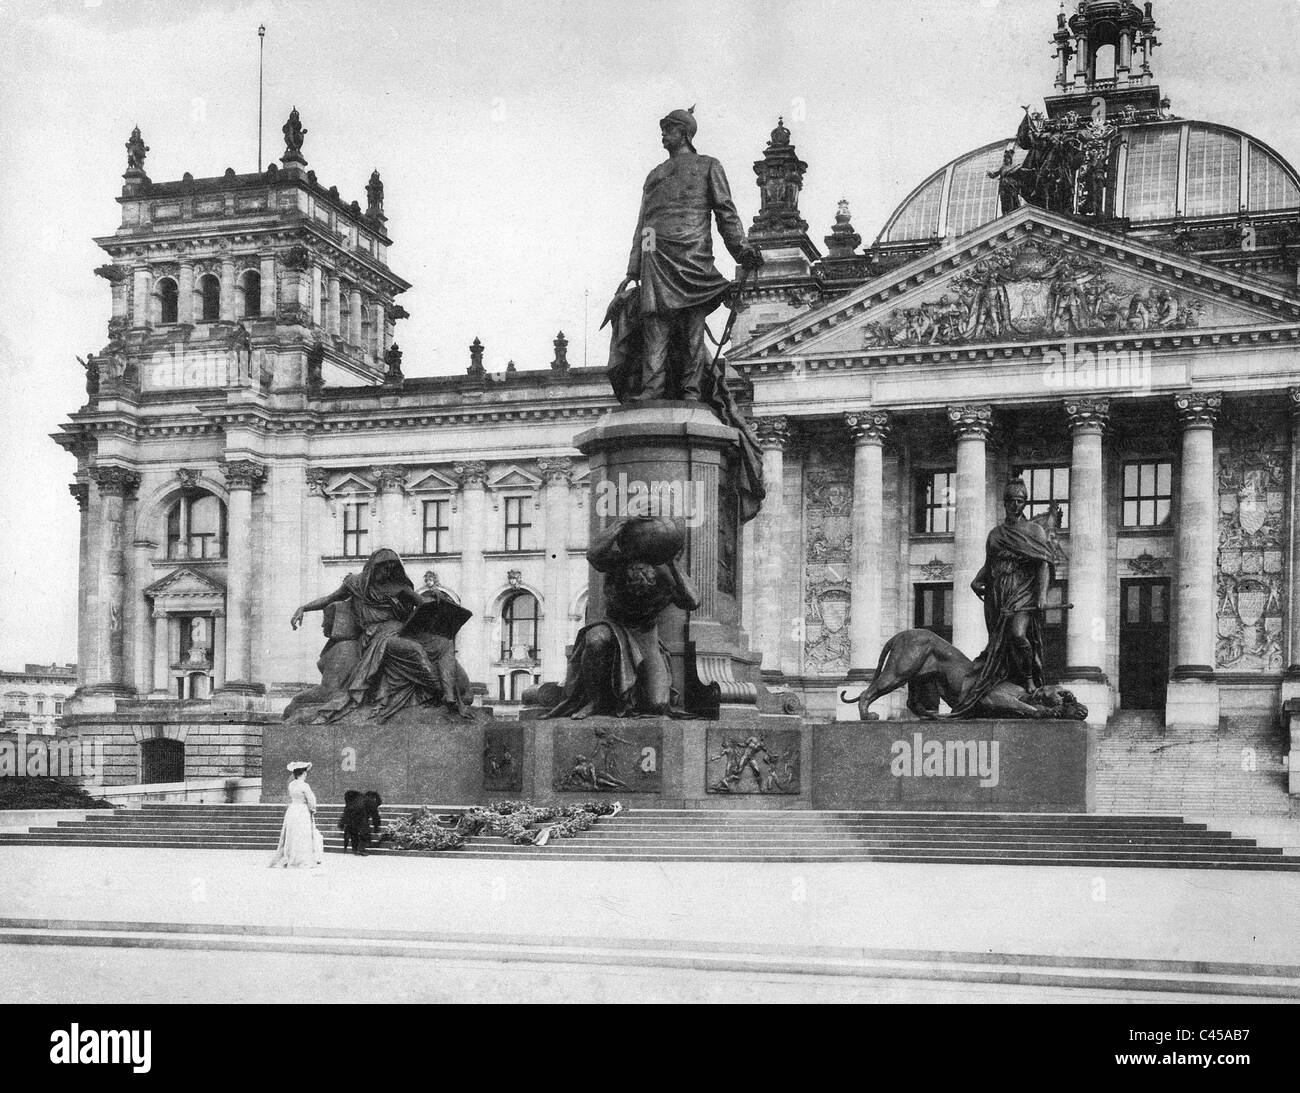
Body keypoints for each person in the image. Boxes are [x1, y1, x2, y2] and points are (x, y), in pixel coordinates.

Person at [290, 547, 470, 720]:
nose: (387, 573)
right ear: (373, 568)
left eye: (391, 569)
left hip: (404, 630)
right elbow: (330, 598)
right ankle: (439, 690)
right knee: (413, 649)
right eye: (384, 569)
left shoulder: (399, 587)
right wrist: (304, 607)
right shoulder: (355, 584)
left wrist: (436, 597)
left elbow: (422, 602)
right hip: (378, 637)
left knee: (444, 644)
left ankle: (449, 696)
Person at [951, 479, 1061, 716]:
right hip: (997, 594)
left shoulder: (1035, 531)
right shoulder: (996, 534)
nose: (1015, 505)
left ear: (1025, 503)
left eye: (1020, 501)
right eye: (1011, 501)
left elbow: (1043, 563)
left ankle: (1029, 679)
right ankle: (1006, 681)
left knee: (1018, 634)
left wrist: (1041, 595)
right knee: (999, 643)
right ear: (1004, 503)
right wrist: (977, 579)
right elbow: (991, 563)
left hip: (1022, 591)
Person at [269, 761, 323, 868]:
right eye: (305, 772)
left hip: (292, 810)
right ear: (302, 773)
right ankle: (301, 858)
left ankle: (290, 856)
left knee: (292, 834)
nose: (306, 774)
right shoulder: (304, 785)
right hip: (302, 811)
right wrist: (312, 809)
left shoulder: (291, 785)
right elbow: (311, 800)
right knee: (303, 834)